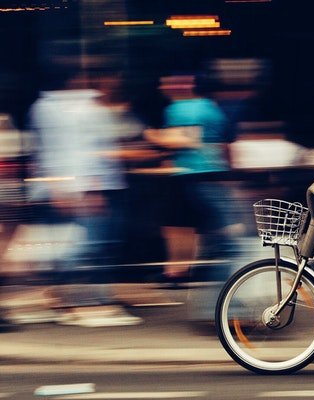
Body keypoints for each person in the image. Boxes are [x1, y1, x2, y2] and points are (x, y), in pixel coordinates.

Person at [28, 65, 142, 327]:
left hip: (99, 185)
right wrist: (84, 187)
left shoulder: (61, 106)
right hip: (90, 186)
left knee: (100, 244)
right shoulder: (67, 108)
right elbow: (69, 151)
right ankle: (76, 300)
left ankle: (95, 298)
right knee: (88, 245)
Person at [144, 74, 238, 327]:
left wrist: (150, 135)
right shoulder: (211, 107)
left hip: (193, 178)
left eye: (168, 83)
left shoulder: (180, 108)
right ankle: (214, 303)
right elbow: (223, 145)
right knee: (219, 240)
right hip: (212, 176)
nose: (164, 87)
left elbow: (185, 139)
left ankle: (214, 305)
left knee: (223, 244)